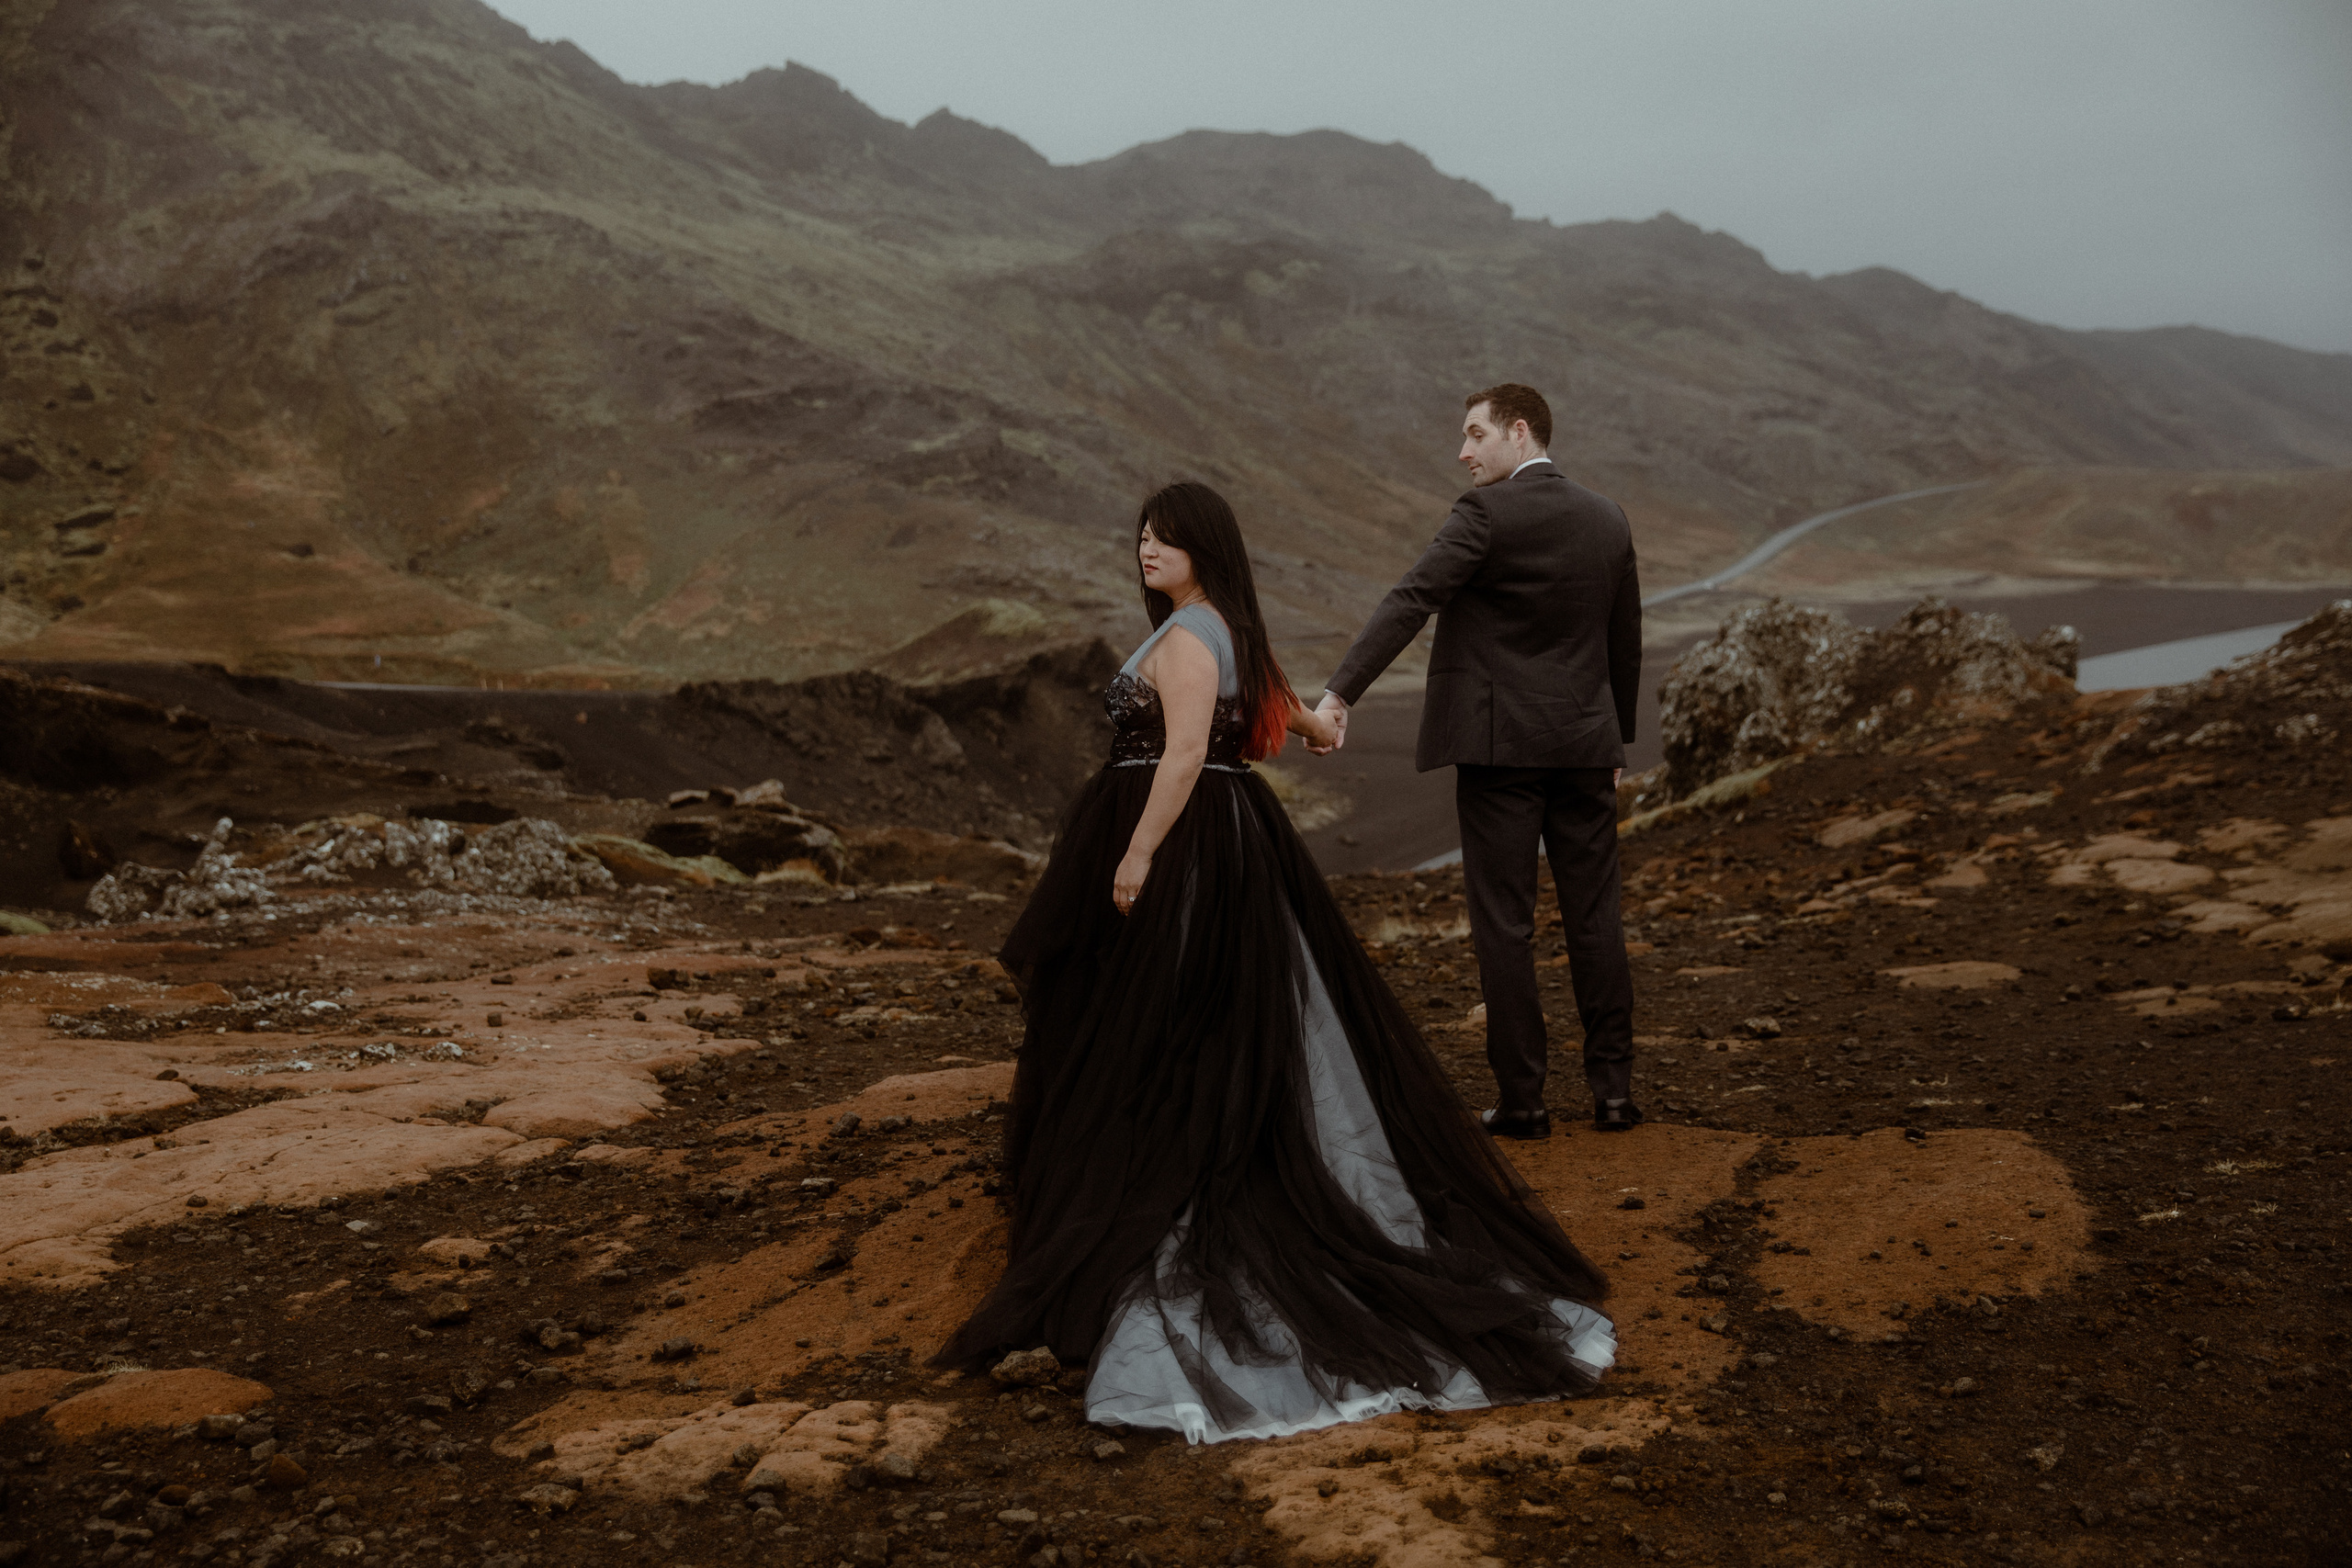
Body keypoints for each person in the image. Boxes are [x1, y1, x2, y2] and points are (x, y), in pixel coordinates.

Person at [935, 479, 1614, 1444]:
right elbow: (1282, 707)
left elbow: (1181, 754)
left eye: (1167, 538)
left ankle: (1160, 1185)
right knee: (1204, 1020)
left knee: (1161, 1022)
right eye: (1141, 536)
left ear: (1205, 548)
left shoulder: (1189, 637)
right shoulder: (1228, 630)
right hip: (1227, 839)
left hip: (1184, 845)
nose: (1147, 549)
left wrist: (1137, 854)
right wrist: (1322, 725)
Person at [1313, 384, 1644, 1139]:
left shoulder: (1484, 515)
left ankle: (1524, 1101)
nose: (1462, 452)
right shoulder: (1609, 517)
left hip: (1501, 754)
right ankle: (1614, 1094)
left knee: (1505, 924)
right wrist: (1615, 741)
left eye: (1474, 434)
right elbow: (1623, 639)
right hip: (1586, 748)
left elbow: (1411, 598)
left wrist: (1340, 694)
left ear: (1519, 431)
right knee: (1596, 918)